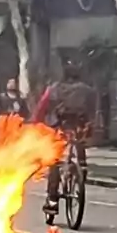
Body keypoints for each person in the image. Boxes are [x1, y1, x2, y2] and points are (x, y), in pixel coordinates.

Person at [34, 75, 95, 214]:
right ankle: (82, 169)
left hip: (59, 128)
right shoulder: (87, 90)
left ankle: (52, 200)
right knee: (79, 144)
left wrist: (36, 124)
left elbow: (41, 109)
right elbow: (93, 110)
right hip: (79, 126)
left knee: (54, 162)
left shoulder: (54, 89)